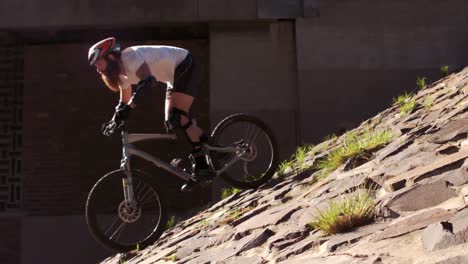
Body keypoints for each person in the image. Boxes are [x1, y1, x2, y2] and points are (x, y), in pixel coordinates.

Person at [88, 37, 211, 191]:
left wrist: (130, 107)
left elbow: (148, 81)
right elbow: (123, 101)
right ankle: (213, 148)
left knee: (177, 116)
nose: (98, 70)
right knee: (171, 122)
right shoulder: (120, 73)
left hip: (186, 64)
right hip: (174, 76)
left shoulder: (129, 57)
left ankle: (202, 167)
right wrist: (114, 120)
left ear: (110, 57)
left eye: (98, 63)